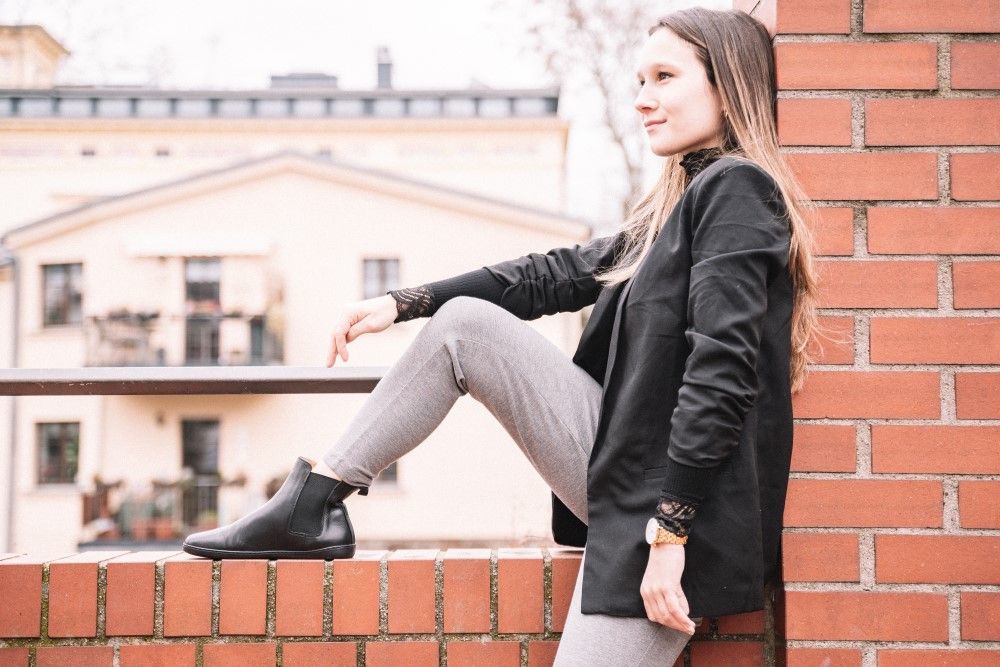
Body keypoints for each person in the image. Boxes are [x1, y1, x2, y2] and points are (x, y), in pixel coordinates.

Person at [183, 6, 821, 664]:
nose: (642, 99)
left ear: (727, 86)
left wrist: (670, 532)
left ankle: (310, 506)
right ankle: (314, 501)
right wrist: (402, 303)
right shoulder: (680, 205)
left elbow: (722, 373)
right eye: (640, 81)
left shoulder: (737, 191)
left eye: (664, 77)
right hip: (637, 478)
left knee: (466, 328)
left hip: (672, 509)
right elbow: (550, 275)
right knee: (463, 324)